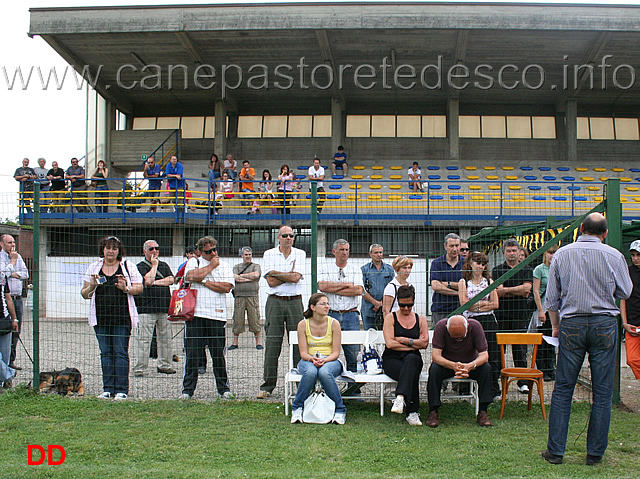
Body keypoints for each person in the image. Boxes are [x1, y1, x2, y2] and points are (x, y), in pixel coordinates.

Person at [542, 213, 633, 466]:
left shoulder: (561, 254)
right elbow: (626, 291)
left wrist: (556, 326)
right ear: (604, 233)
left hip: (571, 323)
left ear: (580, 229)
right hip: (604, 323)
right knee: (602, 392)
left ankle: (556, 452)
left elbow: (551, 299)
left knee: (563, 389)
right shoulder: (614, 255)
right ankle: (595, 454)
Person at [80, 236, 143, 400]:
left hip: (122, 319)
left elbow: (139, 287)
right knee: (106, 353)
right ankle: (107, 389)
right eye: (108, 247)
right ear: (103, 249)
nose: (110, 251)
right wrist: (92, 286)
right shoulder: (94, 267)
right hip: (100, 319)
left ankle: (122, 390)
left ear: (119, 251)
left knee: (120, 352)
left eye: (114, 248)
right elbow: (84, 294)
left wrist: (126, 288)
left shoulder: (127, 266)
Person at [182, 236, 235, 399]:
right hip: (196, 314)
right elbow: (189, 276)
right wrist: (211, 267)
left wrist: (204, 281)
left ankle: (223, 388)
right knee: (192, 354)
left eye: (214, 250)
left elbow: (226, 287)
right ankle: (187, 390)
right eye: (208, 251)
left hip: (217, 315)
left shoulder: (225, 266)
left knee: (218, 354)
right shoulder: (194, 262)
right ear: (199, 252)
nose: (213, 253)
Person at [258, 225, 306, 398]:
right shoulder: (269, 254)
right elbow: (271, 282)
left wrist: (276, 274)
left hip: (295, 302)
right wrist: (289, 275)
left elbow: (295, 278)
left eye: (291, 235)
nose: (288, 238)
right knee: (272, 344)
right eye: (285, 235)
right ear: (278, 237)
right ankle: (268, 385)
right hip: (275, 302)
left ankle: (301, 383)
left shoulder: (300, 253)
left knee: (298, 344)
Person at [426, 315, 494, 427]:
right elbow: (436, 356)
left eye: (461, 338)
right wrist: (452, 365)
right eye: (454, 338)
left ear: (468, 326)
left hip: (470, 365)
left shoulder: (476, 326)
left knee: (486, 368)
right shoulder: (440, 327)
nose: (458, 340)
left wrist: (470, 366)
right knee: (434, 370)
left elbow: (484, 355)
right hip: (447, 365)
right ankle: (433, 411)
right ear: (447, 329)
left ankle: (483, 412)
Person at [290, 293, 346, 425]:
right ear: (313, 307)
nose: (327, 306)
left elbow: (336, 352)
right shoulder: (303, 325)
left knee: (324, 372)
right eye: (323, 304)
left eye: (327, 303)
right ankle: (297, 408)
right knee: (310, 372)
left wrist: (325, 361)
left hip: (330, 360)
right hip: (309, 359)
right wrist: (312, 359)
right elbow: (303, 353)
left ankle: (340, 410)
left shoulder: (334, 323)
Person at [383, 285, 430, 426]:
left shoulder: (420, 319)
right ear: (398, 302)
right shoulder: (390, 318)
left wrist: (404, 340)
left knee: (411, 361)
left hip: (412, 359)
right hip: (392, 359)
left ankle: (400, 396)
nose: (406, 308)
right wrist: (414, 343)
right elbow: (390, 344)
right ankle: (412, 412)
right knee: (411, 370)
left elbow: (425, 344)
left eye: (409, 305)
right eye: (402, 305)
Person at [458, 250, 501, 398]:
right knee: (467, 353)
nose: (481, 266)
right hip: (470, 321)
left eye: (483, 264)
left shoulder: (489, 281)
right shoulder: (463, 282)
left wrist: (476, 305)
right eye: (478, 263)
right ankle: (464, 388)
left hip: (488, 320)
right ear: (470, 263)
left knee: (492, 354)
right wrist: (482, 304)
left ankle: (493, 388)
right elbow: (464, 304)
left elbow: (495, 303)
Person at [492, 238, 533, 393]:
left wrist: (506, 290)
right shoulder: (497, 270)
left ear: (519, 252)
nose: (511, 253)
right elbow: (497, 291)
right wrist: (518, 290)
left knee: (520, 349)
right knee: (498, 350)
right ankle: (498, 383)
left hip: (520, 314)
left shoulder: (527, 269)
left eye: (514, 250)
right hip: (501, 314)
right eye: (508, 251)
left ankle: (522, 382)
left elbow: (527, 290)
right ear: (504, 253)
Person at [318, 239, 364, 375]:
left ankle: (354, 390)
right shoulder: (325, 268)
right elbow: (322, 287)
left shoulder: (355, 269)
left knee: (353, 354)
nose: (345, 253)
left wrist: (333, 288)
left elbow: (358, 290)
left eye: (346, 250)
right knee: (328, 352)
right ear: (334, 252)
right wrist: (347, 284)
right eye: (341, 250)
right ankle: (329, 387)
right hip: (331, 314)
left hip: (351, 315)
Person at [133, 240, 176, 377]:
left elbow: (171, 279)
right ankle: (140, 368)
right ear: (144, 251)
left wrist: (156, 282)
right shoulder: (139, 267)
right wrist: (154, 266)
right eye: (151, 249)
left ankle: (165, 365)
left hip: (164, 308)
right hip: (146, 309)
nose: (154, 251)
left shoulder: (165, 265)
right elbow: (147, 281)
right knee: (144, 339)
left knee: (166, 338)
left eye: (156, 248)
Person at [0, 234, 29, 370]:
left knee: (16, 330)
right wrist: (12, 264)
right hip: (5, 300)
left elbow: (25, 274)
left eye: (13, 242)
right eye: (9, 242)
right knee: (5, 330)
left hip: (17, 299)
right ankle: (3, 363)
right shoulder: (3, 258)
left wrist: (13, 273)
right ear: (2, 244)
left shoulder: (18, 256)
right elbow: (3, 274)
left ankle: (11, 360)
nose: (12, 245)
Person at [531, 244, 559, 380]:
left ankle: (551, 368)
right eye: (550, 252)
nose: (552, 256)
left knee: (553, 340)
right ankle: (541, 369)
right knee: (542, 340)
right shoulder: (539, 270)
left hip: (556, 309)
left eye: (555, 253)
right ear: (545, 254)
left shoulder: (559, 268)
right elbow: (536, 290)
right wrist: (541, 310)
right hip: (543, 308)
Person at [229, 247, 262, 350]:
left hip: (252, 296)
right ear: (242, 255)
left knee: (255, 319)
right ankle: (235, 343)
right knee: (237, 319)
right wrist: (249, 278)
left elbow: (256, 275)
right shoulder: (237, 266)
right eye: (246, 254)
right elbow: (234, 278)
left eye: (249, 254)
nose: (248, 256)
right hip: (239, 297)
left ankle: (258, 343)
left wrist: (242, 276)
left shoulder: (256, 266)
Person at [430, 233, 464, 324]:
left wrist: (447, 284)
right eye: (451, 246)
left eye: (457, 245)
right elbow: (436, 286)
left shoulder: (466, 263)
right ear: (445, 246)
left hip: (461, 309)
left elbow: (468, 285)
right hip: (440, 310)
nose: (455, 249)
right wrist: (458, 292)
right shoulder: (437, 263)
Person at [361, 244, 395, 330]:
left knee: (385, 334)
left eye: (380, 252)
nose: (379, 255)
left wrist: (381, 303)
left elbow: (393, 288)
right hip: (368, 309)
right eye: (376, 252)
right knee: (370, 336)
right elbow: (361, 289)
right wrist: (375, 303)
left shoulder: (389, 269)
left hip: (385, 309)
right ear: (370, 254)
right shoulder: (364, 270)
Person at [621, 240, 640, 380]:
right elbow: (622, 298)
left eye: (638, 255)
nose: (635, 258)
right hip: (632, 323)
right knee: (632, 360)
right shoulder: (627, 272)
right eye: (633, 255)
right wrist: (624, 322)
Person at [0, 274, 18, 389]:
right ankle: (10, 374)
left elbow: (8, 298)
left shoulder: (2, 277)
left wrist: (14, 318)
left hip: (4, 320)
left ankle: (3, 384)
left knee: (5, 357)